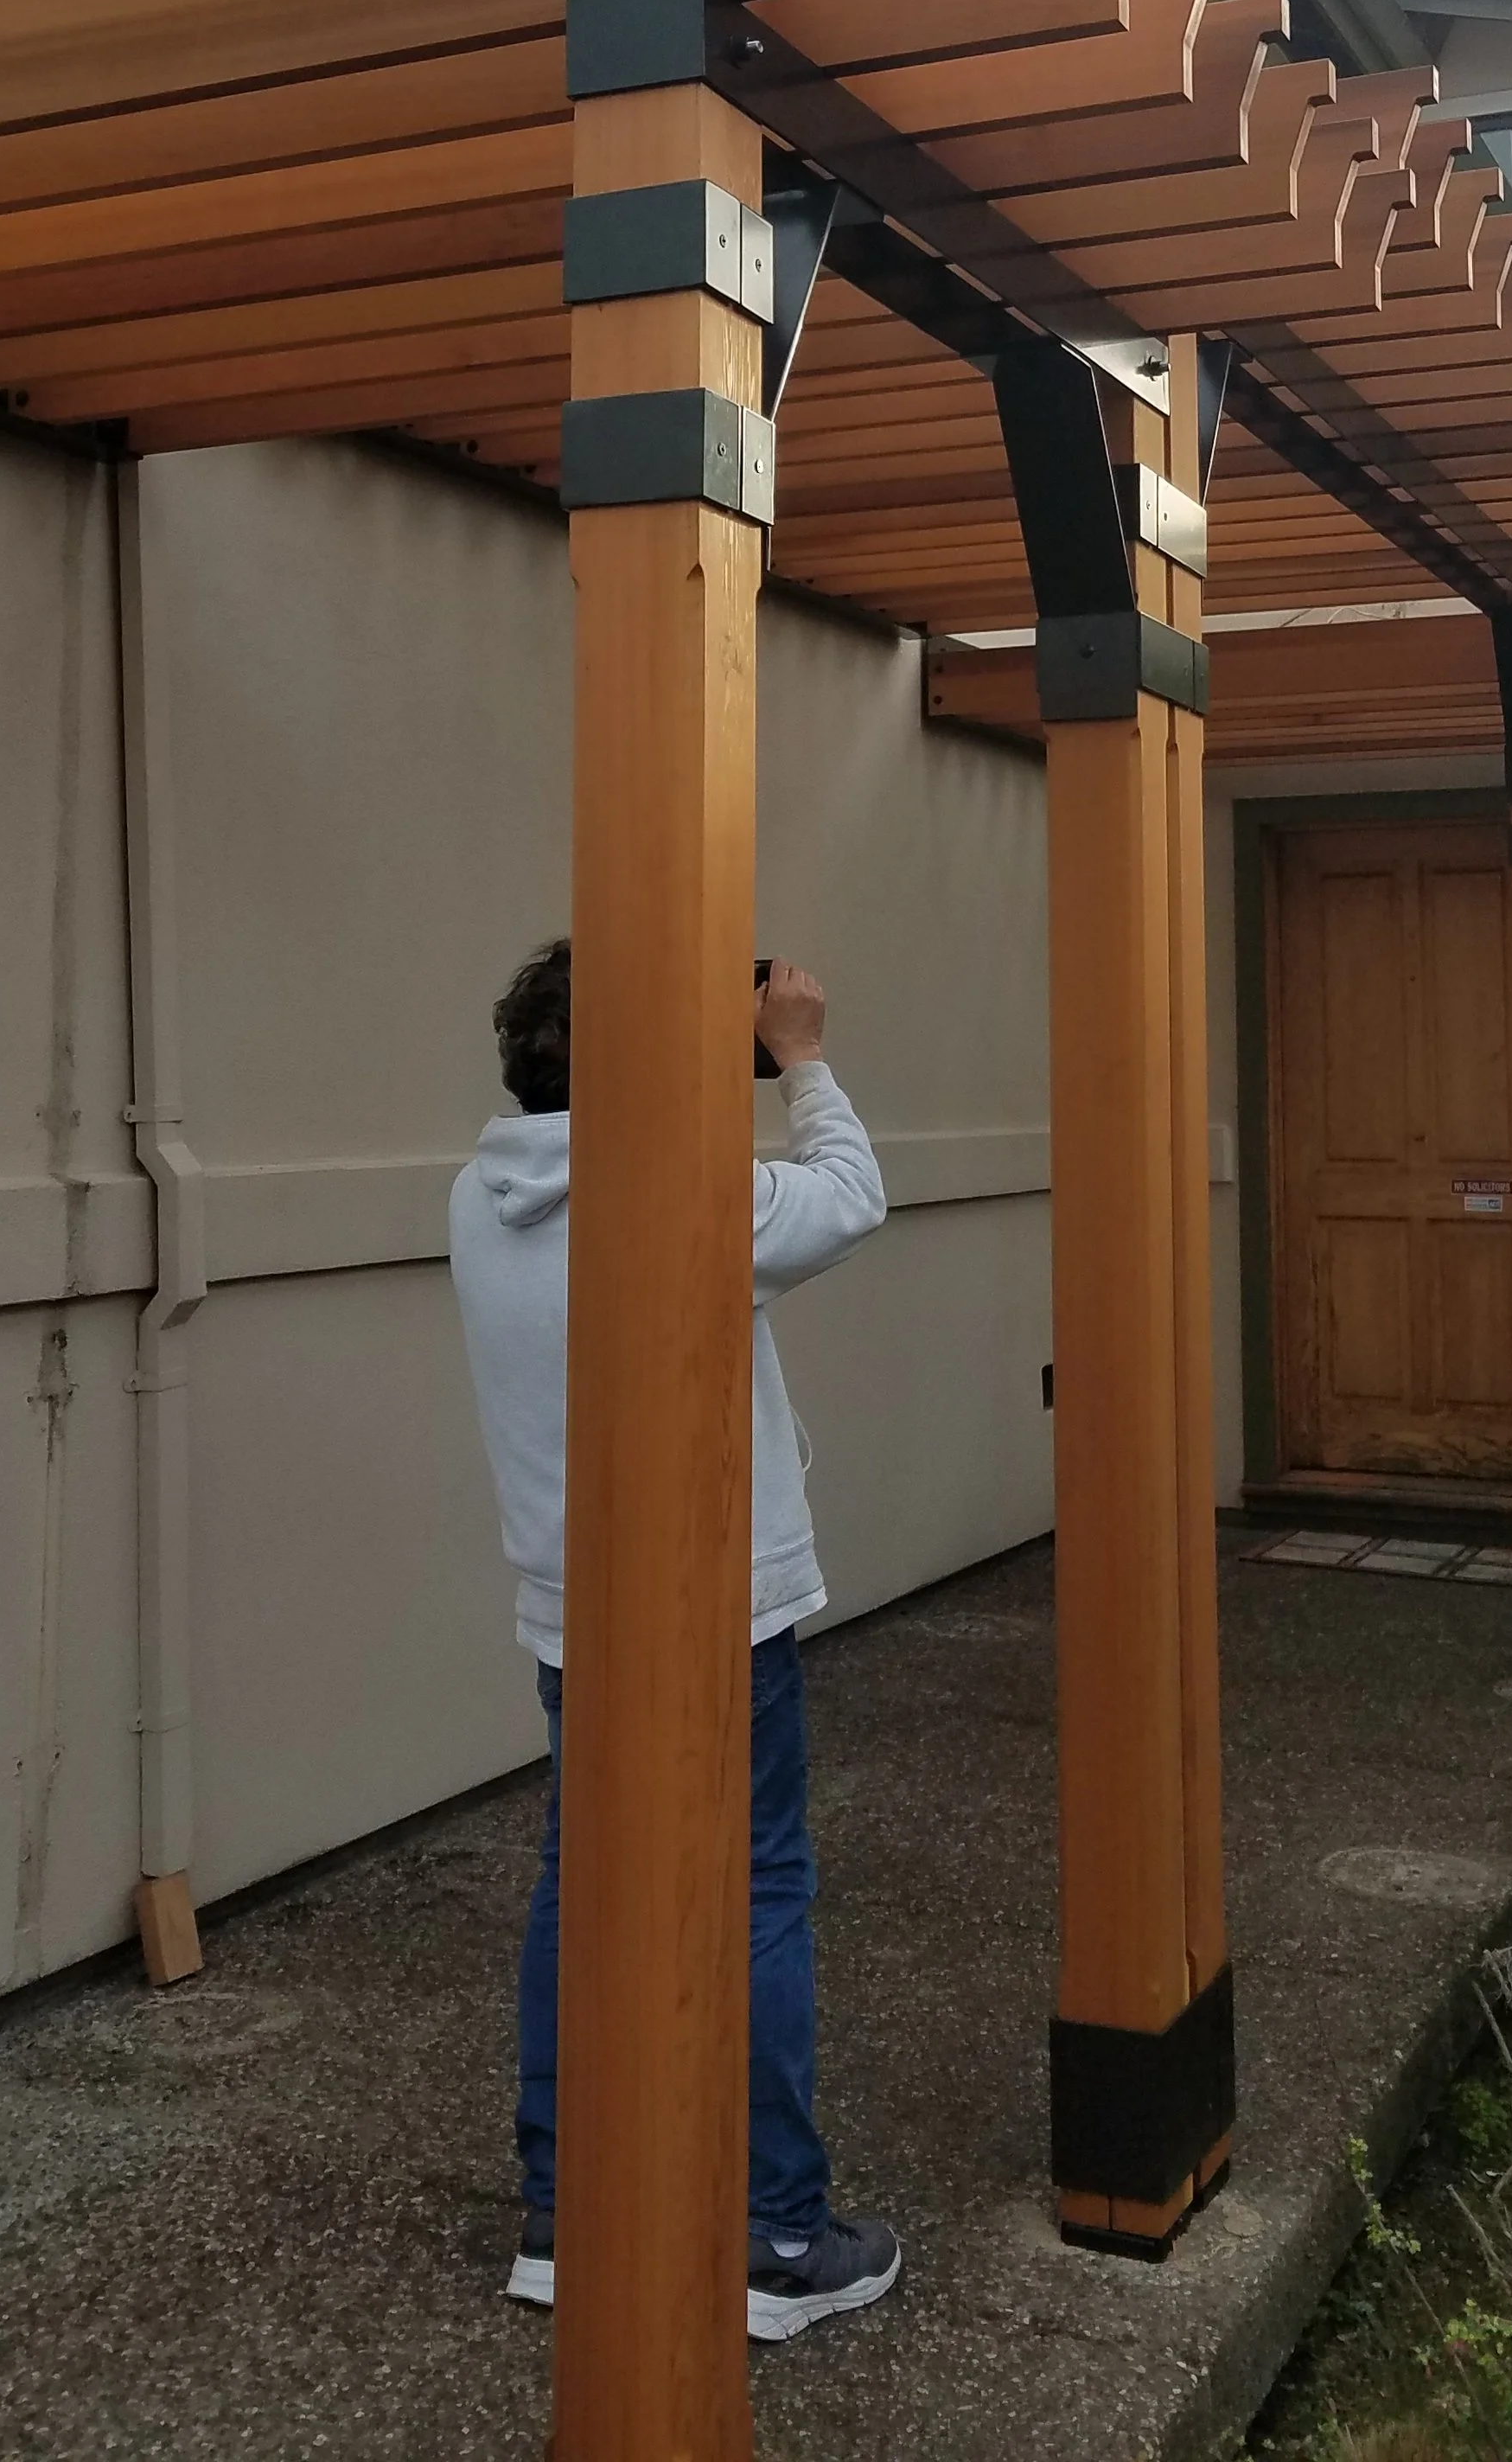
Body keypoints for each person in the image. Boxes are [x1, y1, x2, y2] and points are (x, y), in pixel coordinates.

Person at [449, 937, 902, 2344]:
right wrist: (800, 1054)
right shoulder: (677, 1191)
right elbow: (852, 1196)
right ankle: (778, 2235)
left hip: (577, 1614)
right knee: (759, 1889)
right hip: (714, 1610)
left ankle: (562, 2217)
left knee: (580, 1884)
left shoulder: (480, 1194)